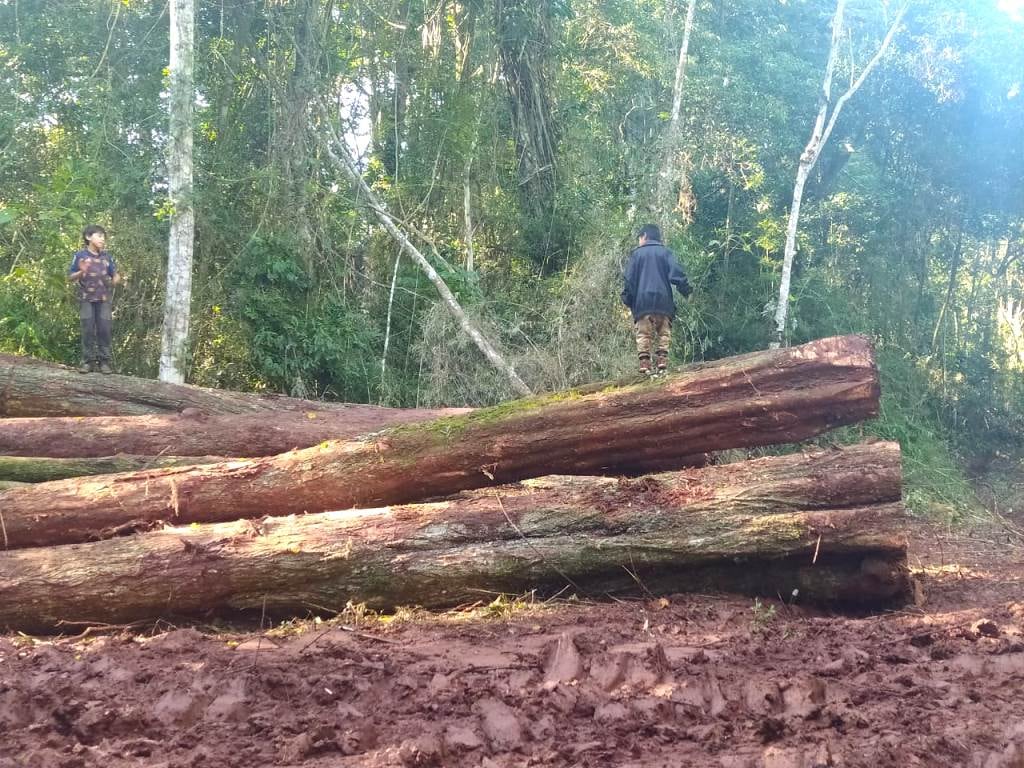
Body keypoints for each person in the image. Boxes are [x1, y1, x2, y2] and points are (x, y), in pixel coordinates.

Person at [621, 223, 691, 374]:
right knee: (664, 333)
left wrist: (627, 298)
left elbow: (630, 280)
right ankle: (662, 362)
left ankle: (645, 364)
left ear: (644, 236)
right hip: (663, 301)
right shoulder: (666, 253)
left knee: (643, 334)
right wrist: (686, 290)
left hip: (643, 302)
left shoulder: (636, 254)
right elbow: (676, 275)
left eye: (639, 238)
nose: (639, 241)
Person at [68, 224, 121, 374]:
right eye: (99, 236)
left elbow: (114, 274)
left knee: (104, 330)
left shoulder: (107, 257)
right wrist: (81, 271)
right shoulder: (80, 256)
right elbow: (70, 277)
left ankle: (104, 362)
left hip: (104, 299)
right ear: (88, 237)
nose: (102, 239)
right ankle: (87, 362)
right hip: (86, 299)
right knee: (88, 330)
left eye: (104, 237)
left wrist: (117, 278)